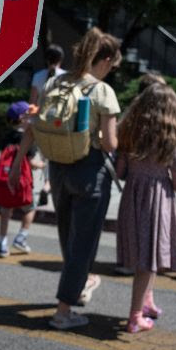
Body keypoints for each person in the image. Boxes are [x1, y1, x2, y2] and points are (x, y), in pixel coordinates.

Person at [12, 27, 122, 330]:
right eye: (112, 65)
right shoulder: (102, 91)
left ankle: (79, 284)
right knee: (83, 243)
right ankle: (63, 310)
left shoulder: (56, 82)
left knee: (68, 236)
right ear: (106, 59)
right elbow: (111, 144)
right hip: (90, 172)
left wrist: (18, 162)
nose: (111, 71)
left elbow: (35, 123)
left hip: (58, 169)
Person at [114, 83, 176, 333]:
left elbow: (119, 172)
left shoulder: (129, 132)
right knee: (148, 260)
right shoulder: (172, 137)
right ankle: (135, 316)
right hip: (158, 199)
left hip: (132, 197)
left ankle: (146, 301)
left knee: (147, 255)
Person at [0, 100, 45, 256]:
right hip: (22, 182)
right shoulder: (28, 138)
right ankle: (21, 237)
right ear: (23, 117)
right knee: (30, 208)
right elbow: (30, 162)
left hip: (5, 180)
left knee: (5, 210)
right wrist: (42, 165)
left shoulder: (7, 136)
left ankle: (2, 244)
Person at [29, 44, 66, 205]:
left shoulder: (38, 76)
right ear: (61, 60)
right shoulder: (66, 77)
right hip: (58, 122)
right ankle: (48, 184)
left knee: (44, 155)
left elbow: (32, 103)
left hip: (40, 122)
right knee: (54, 156)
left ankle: (46, 183)